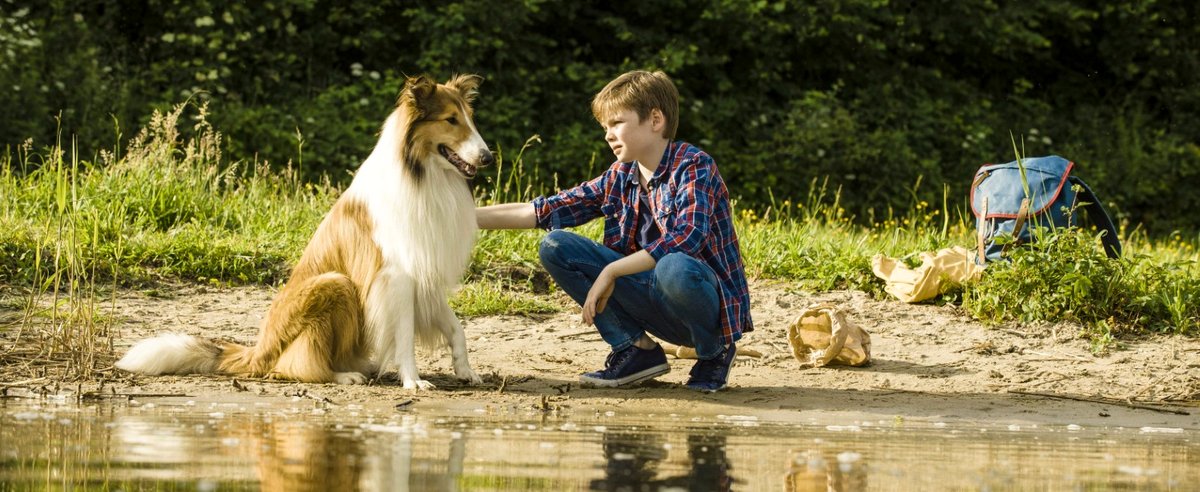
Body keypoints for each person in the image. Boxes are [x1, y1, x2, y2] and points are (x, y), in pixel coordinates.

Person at [476, 70, 752, 392]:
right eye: (605, 127)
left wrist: (612, 270)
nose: (608, 134)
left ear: (655, 120)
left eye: (616, 123)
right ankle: (636, 350)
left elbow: (686, 237)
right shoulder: (620, 175)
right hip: (655, 305)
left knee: (673, 264)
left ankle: (714, 352)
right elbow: (544, 210)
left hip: (704, 309)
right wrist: (459, 216)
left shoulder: (693, 165)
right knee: (556, 245)